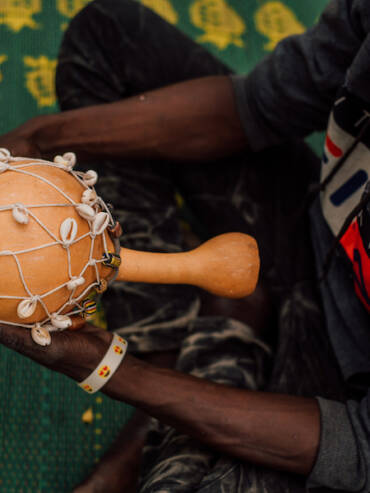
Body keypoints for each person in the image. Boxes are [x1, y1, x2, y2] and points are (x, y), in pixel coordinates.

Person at [1, 0, 370, 491]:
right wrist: (37, 139)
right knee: (109, 36)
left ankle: (198, 366)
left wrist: (107, 368)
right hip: (311, 219)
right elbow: (259, 104)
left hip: (337, 391)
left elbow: (359, 447)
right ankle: (179, 354)